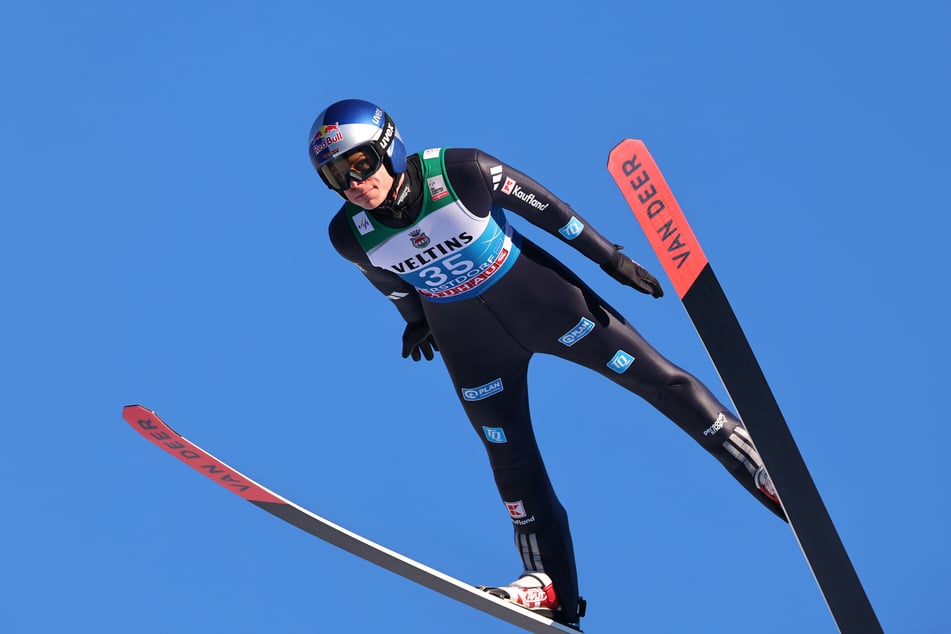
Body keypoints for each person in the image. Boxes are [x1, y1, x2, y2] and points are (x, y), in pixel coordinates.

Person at [309, 99, 786, 629]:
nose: (353, 182)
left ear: (390, 149)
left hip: (548, 306)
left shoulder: (460, 170)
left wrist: (610, 258)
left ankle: (758, 465)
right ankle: (549, 585)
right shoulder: (348, 234)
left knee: (658, 381)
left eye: (360, 163)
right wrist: (415, 318)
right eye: (336, 175)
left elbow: (549, 210)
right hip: (471, 347)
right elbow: (389, 281)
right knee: (510, 462)